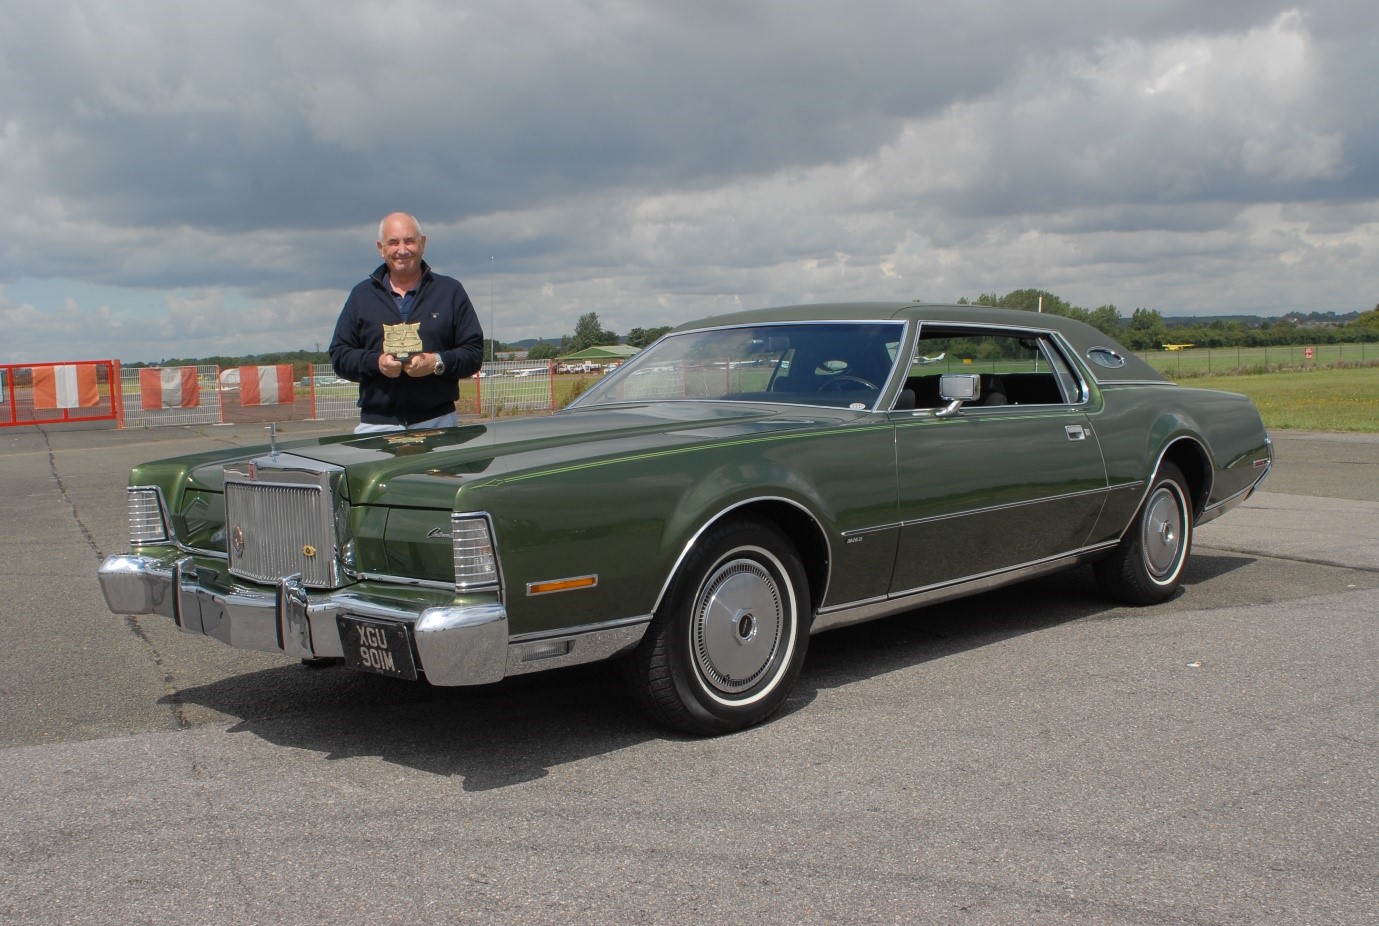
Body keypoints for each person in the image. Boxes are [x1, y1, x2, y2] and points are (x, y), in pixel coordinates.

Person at [329, 212, 485, 432]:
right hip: (377, 425)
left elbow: (474, 352)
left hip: (438, 422)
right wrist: (377, 363)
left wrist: (436, 362)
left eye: (409, 241)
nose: (402, 250)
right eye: (393, 242)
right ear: (380, 248)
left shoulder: (450, 291)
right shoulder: (361, 296)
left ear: (423, 243)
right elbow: (339, 355)